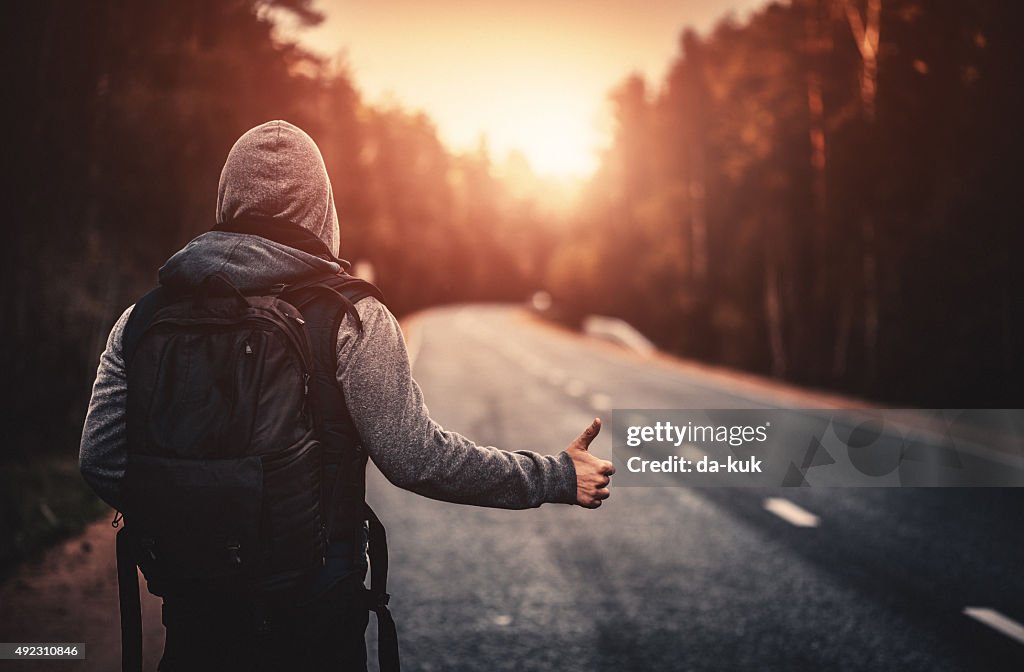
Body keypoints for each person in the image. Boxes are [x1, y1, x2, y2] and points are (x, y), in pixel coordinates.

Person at [79, 120, 615, 671]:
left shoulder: (142, 320)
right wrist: (554, 475)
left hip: (195, 622)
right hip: (314, 628)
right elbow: (417, 459)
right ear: (322, 210)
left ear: (226, 199)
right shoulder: (351, 318)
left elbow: (100, 460)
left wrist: (199, 518)